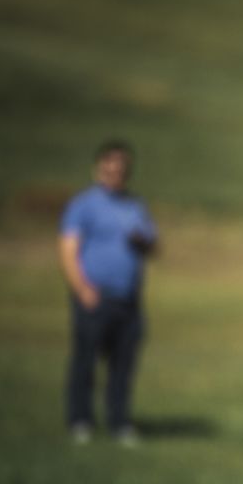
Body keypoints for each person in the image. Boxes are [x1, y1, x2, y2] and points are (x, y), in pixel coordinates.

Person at [58, 140, 158, 446]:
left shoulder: (135, 206)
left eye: (121, 169)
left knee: (123, 365)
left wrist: (143, 241)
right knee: (85, 361)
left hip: (128, 298)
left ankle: (119, 421)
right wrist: (82, 288)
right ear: (98, 169)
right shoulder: (83, 204)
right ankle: (80, 420)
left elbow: (154, 246)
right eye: (109, 167)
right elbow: (68, 249)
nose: (115, 173)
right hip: (94, 295)